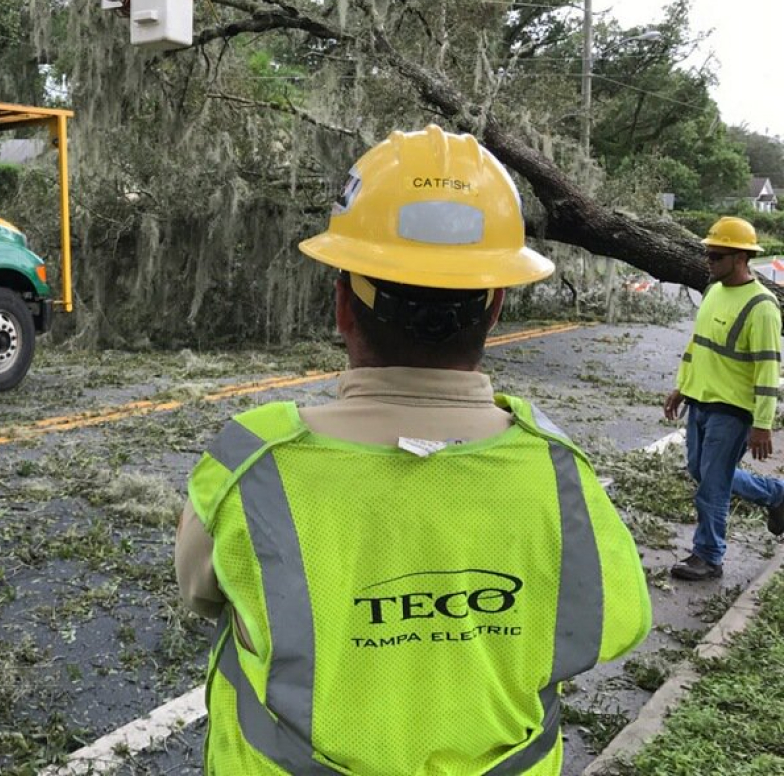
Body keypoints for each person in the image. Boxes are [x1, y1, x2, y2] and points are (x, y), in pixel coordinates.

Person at [175, 125, 651, 775]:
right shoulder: (560, 473)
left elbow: (203, 593)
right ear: (496, 307)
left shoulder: (253, 467)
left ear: (343, 303)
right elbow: (613, 624)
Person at [662, 216, 784, 581]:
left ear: (740, 258)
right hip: (701, 401)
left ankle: (709, 556)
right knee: (701, 471)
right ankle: (777, 494)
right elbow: (697, 346)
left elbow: (767, 371)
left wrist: (762, 424)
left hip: (732, 412)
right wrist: (682, 386)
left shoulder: (761, 307)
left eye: (716, 257)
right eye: (708, 255)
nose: (709, 262)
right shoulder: (714, 291)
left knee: (711, 486)